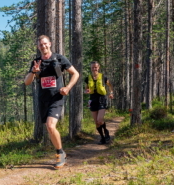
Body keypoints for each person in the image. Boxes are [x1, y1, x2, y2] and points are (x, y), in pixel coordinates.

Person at [24, 35, 80, 169]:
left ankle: (60, 154)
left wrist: (67, 87)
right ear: (38, 47)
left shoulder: (59, 58)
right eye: (40, 45)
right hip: (43, 99)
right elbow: (26, 82)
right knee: (49, 128)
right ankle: (61, 152)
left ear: (50, 44)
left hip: (57, 98)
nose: (43, 46)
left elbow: (75, 74)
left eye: (45, 44)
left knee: (50, 126)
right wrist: (33, 72)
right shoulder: (36, 62)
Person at [84, 61, 114, 144]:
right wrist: (86, 91)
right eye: (92, 67)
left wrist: (111, 93)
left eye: (95, 67)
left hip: (102, 99)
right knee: (96, 123)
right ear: (91, 68)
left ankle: (106, 131)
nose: (94, 69)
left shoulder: (103, 77)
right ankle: (102, 137)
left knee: (99, 120)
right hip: (92, 99)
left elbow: (110, 85)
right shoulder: (87, 78)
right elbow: (86, 88)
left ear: (98, 67)